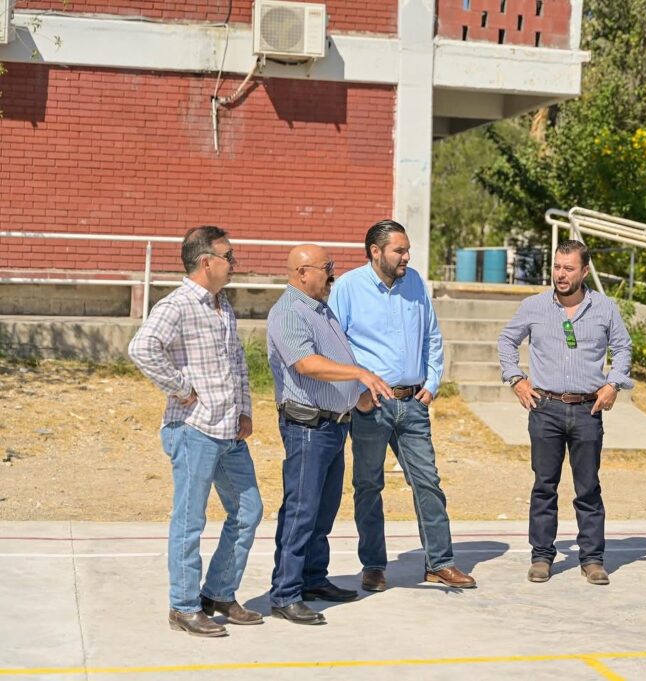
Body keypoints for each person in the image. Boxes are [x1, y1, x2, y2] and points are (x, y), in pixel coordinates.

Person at [128, 225, 264, 638]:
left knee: (249, 511)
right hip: (194, 430)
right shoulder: (178, 304)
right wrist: (181, 389)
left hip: (229, 430)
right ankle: (184, 607)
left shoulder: (223, 305)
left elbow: (236, 363)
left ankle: (219, 593)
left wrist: (244, 411)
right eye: (229, 256)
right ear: (207, 262)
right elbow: (142, 348)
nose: (234, 263)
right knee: (189, 520)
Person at [328, 219, 476, 590]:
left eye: (407, 249)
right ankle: (373, 565)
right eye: (399, 250)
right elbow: (334, 345)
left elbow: (432, 336)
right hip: (371, 405)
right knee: (368, 485)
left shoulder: (415, 284)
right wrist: (357, 394)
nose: (406, 256)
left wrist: (432, 382)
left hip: (413, 404)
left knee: (428, 482)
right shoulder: (347, 287)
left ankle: (439, 563)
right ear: (375, 251)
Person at [266, 245, 393, 625]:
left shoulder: (320, 309)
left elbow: (335, 361)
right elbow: (306, 364)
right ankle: (285, 593)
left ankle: (313, 579)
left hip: (334, 425)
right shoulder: (289, 311)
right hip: (308, 427)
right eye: (327, 267)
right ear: (302, 272)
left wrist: (357, 398)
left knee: (323, 512)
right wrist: (359, 374)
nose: (333, 274)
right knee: (301, 511)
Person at [497, 240, 633, 585]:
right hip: (545, 408)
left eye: (568, 268)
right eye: (557, 267)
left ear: (584, 271)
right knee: (544, 486)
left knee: (588, 488)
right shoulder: (533, 306)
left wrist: (613, 384)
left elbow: (623, 347)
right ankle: (542, 556)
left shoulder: (605, 308)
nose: (560, 274)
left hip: (588, 409)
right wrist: (516, 379)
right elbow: (506, 341)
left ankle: (592, 559)